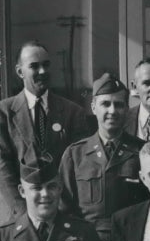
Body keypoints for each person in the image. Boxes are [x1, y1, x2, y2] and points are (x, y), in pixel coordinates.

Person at [0, 41, 89, 224]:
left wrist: (61, 209)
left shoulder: (73, 112)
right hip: (20, 216)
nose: (42, 71)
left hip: (63, 214)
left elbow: (79, 167)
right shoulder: (4, 113)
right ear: (19, 72)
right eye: (34, 66)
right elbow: (3, 168)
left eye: (46, 65)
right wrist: (25, 214)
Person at [59, 73, 147, 241]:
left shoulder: (143, 152)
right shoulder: (74, 155)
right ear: (93, 107)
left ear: (127, 108)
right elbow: (64, 211)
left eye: (119, 104)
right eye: (105, 104)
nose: (112, 111)